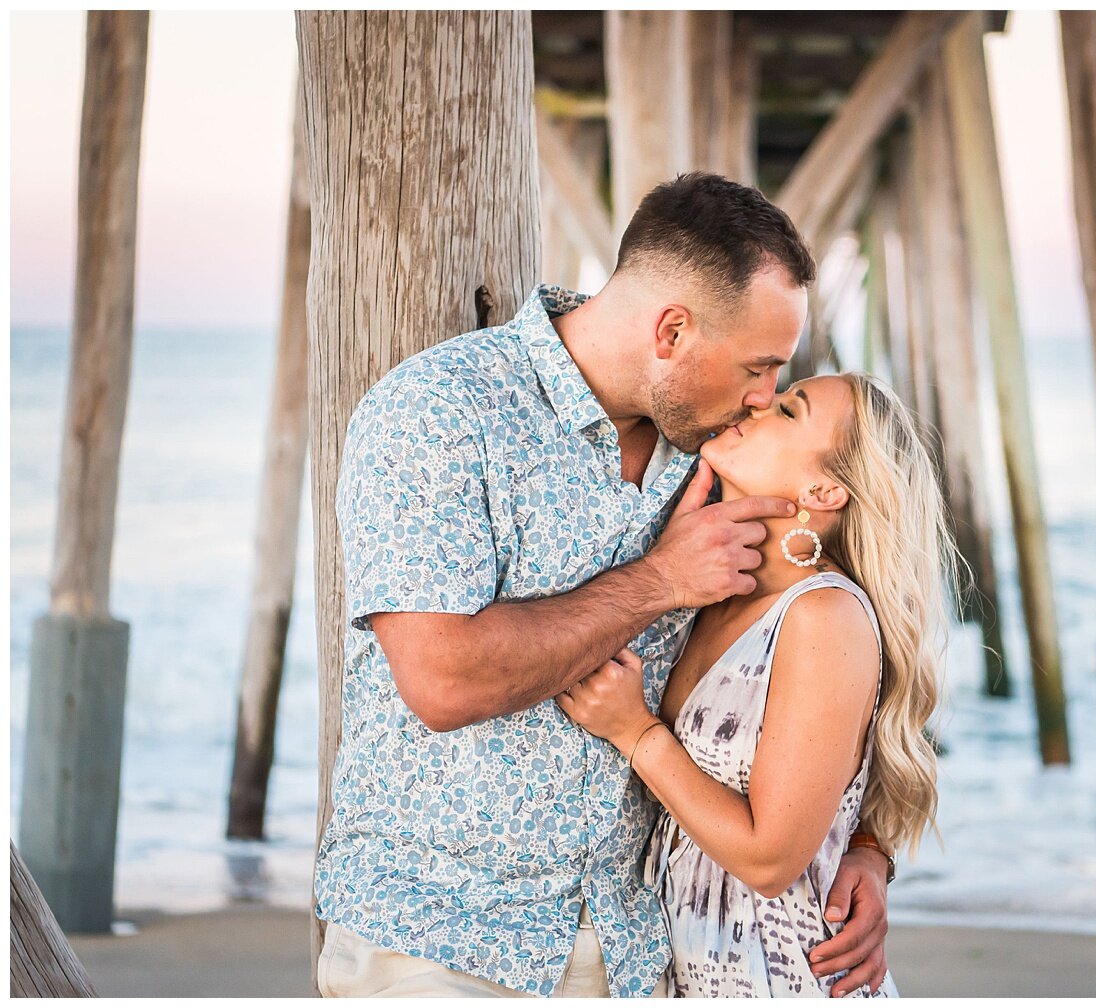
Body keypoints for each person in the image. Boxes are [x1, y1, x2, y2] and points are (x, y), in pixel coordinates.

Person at [314, 173, 897, 997]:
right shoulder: (440, 413)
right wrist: (657, 581)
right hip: (441, 944)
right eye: (757, 367)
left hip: (636, 956)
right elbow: (442, 680)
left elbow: (853, 648)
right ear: (672, 332)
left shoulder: (715, 447)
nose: (763, 398)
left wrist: (868, 849)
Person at [558, 373, 951, 997]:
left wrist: (635, 732)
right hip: (677, 975)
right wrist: (869, 848)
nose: (762, 402)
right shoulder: (712, 593)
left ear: (824, 490)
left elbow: (770, 859)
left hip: (778, 978)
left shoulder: (825, 615)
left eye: (790, 410)